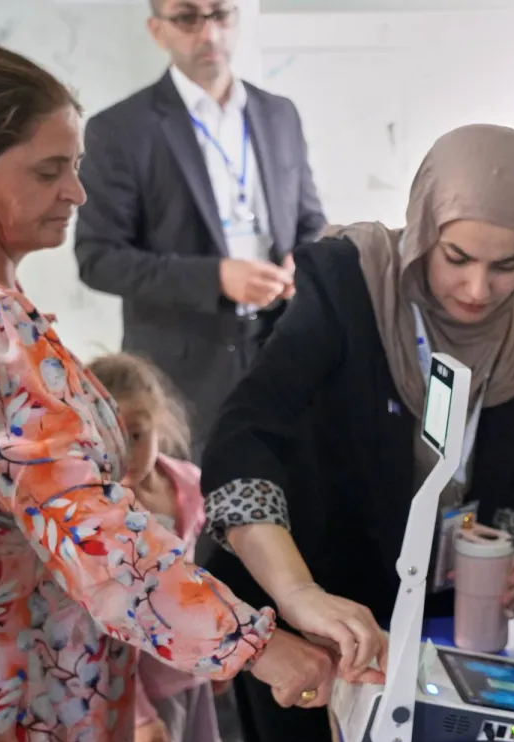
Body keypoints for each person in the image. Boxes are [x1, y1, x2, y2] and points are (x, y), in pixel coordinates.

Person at [0, 43, 346, 742]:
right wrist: (256, 645)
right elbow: (92, 532)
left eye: (75, 166)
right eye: (49, 170)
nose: (77, 192)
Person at [197, 124, 514, 742]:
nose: (478, 289)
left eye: (507, 265)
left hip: (423, 597)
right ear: (423, 228)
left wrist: (504, 549)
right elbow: (243, 437)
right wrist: (298, 595)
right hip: (302, 581)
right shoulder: (351, 283)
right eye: (456, 257)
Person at [76, 0, 327, 456]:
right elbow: (98, 259)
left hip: (280, 348)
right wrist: (216, 278)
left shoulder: (278, 113)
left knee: (287, 483)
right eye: (187, 17)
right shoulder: (120, 129)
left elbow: (310, 220)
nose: (209, 33)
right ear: (157, 30)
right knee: (191, 498)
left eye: (220, 14)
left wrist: (302, 262)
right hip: (181, 374)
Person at [88, 353, 224, 742]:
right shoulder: (99, 515)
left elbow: (196, 584)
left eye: (136, 434)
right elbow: (105, 631)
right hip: (136, 691)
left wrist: (218, 655)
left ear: (158, 424)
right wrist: (138, 715)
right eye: (107, 435)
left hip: (188, 677)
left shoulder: (187, 485)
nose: (124, 451)